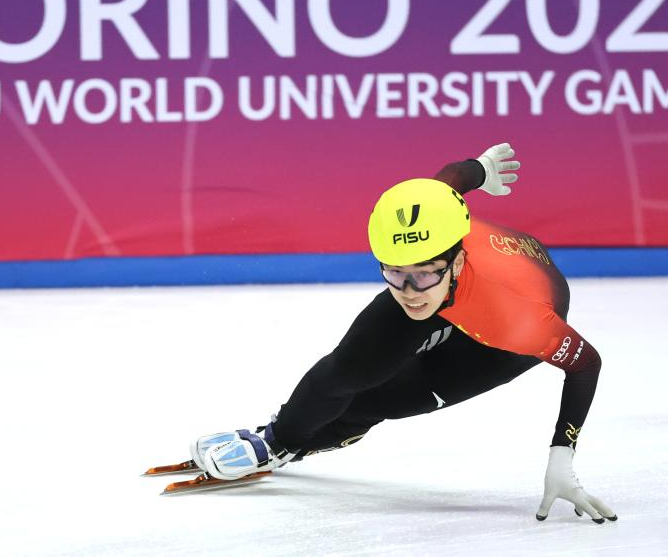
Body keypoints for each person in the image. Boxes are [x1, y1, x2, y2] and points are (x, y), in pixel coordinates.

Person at [190, 143, 616, 524]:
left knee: (382, 399)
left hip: (502, 330)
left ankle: (303, 443)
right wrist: (482, 168)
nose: (409, 292)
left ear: (456, 263)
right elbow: (452, 178)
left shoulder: (519, 321)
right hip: (465, 288)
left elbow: (586, 365)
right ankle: (276, 442)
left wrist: (562, 454)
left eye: (423, 275)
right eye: (395, 273)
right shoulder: (426, 221)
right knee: (350, 370)